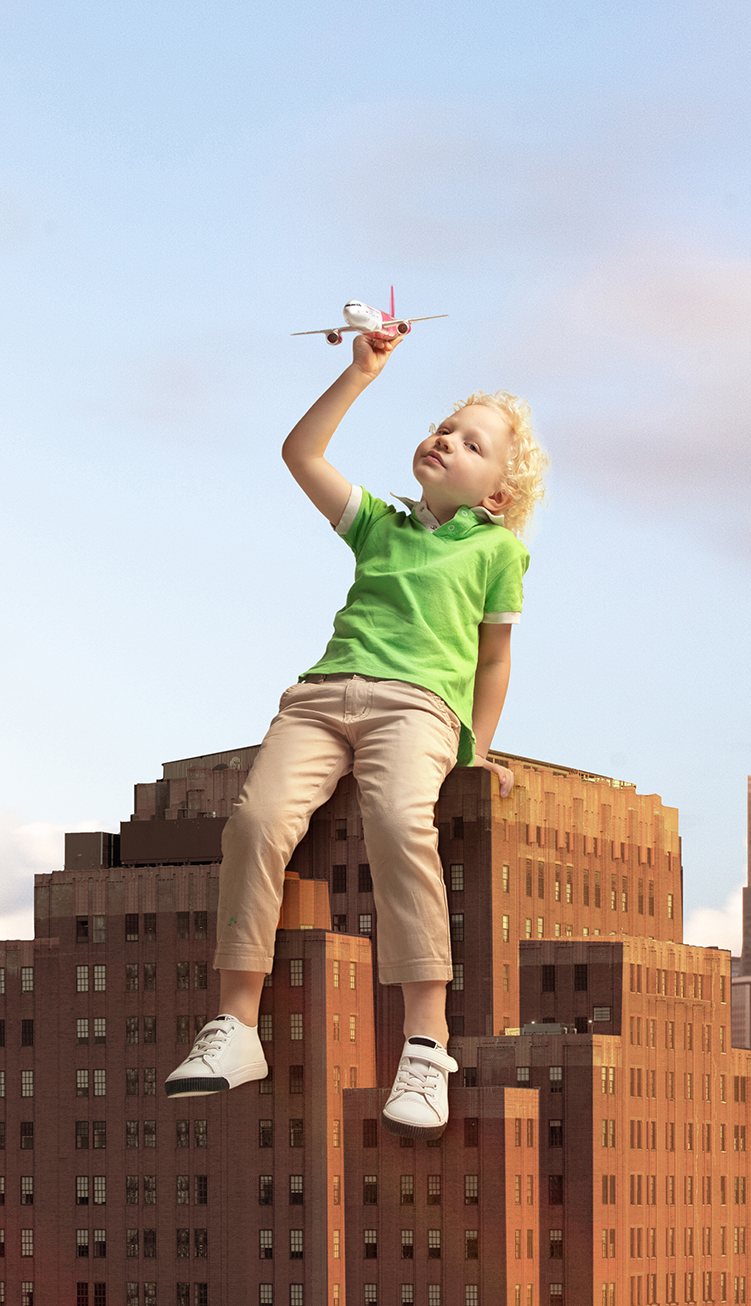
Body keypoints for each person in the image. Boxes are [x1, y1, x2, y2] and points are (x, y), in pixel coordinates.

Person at [164, 327, 547, 1141]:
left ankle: (425, 1043)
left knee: (399, 825)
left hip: (417, 709)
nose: (446, 438)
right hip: (321, 698)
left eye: (471, 441)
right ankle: (236, 1026)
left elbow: (494, 659)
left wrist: (475, 749)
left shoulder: (495, 550)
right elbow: (300, 454)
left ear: (498, 496)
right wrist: (359, 374)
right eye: (445, 426)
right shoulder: (379, 523)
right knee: (258, 822)